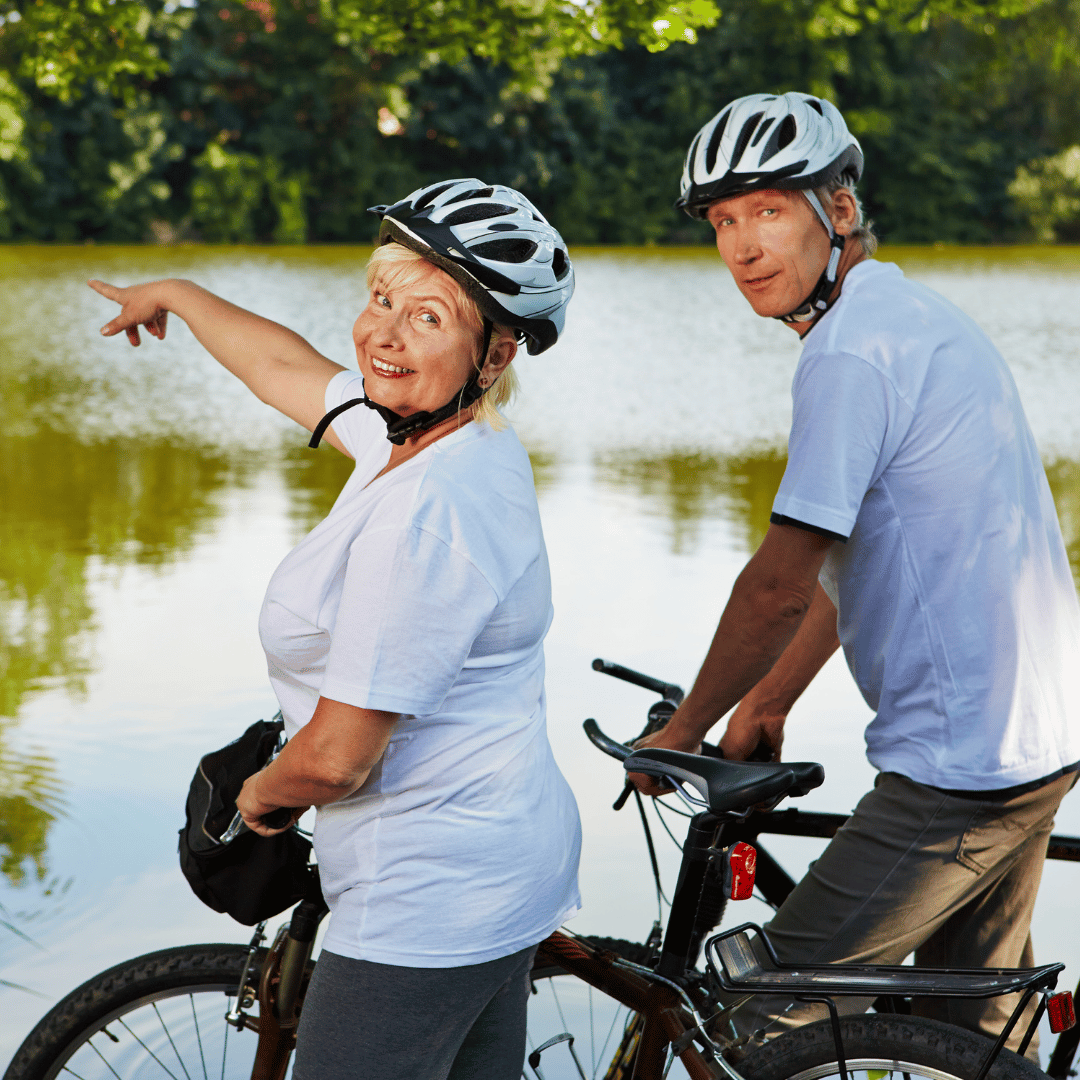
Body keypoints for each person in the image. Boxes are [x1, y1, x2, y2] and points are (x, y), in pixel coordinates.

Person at [89, 178, 582, 1080]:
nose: (383, 335)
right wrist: (178, 296)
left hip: (423, 900)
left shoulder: (427, 512)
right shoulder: (443, 443)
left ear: (496, 352)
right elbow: (286, 368)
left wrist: (252, 807)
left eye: (427, 317)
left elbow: (338, 758)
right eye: (381, 299)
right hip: (501, 863)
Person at [630, 91, 1080, 1057]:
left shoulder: (851, 354)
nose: (743, 247)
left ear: (838, 210)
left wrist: (683, 729)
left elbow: (778, 584)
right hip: (1031, 739)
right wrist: (769, 698)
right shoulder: (908, 315)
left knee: (752, 1021)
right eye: (722, 222)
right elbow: (862, 561)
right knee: (973, 1035)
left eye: (768, 210)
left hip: (962, 769)